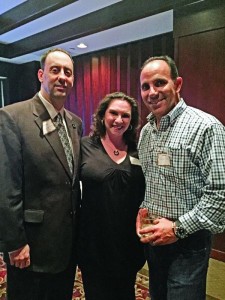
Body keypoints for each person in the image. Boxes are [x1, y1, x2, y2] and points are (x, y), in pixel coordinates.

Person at [136, 55, 225, 300]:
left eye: (159, 83)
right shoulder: (146, 132)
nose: (152, 92)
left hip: (189, 243)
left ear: (177, 84)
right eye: (145, 86)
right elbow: (152, 180)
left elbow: (220, 194)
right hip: (155, 241)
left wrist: (177, 228)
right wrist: (143, 209)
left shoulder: (206, 127)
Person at [0, 48, 82, 300]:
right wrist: (14, 244)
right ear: (40, 74)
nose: (62, 77)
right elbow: (6, 187)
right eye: (55, 70)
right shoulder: (13, 117)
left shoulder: (74, 122)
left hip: (66, 245)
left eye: (67, 72)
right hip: (30, 248)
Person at [78, 92, 146, 300]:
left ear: (132, 120)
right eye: (113, 113)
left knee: (125, 291)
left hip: (128, 240)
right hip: (93, 240)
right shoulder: (84, 146)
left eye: (125, 116)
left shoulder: (139, 150)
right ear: (101, 116)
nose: (119, 120)